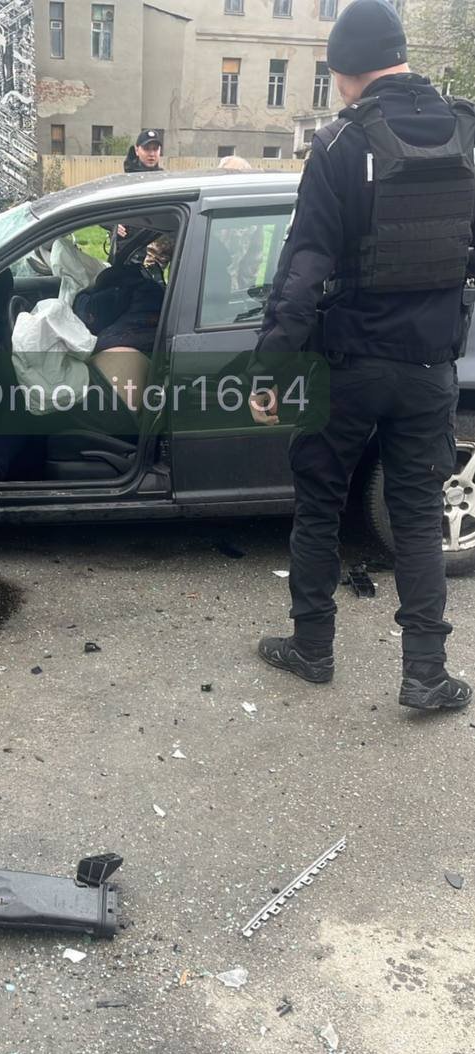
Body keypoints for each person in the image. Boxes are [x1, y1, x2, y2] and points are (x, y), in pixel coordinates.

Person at [251, 0, 475, 712]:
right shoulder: (467, 130)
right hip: (429, 367)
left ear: (345, 69)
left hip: (347, 365)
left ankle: (312, 648)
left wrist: (268, 366)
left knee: (319, 504)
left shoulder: (341, 142)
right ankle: (426, 674)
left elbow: (302, 268)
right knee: (417, 516)